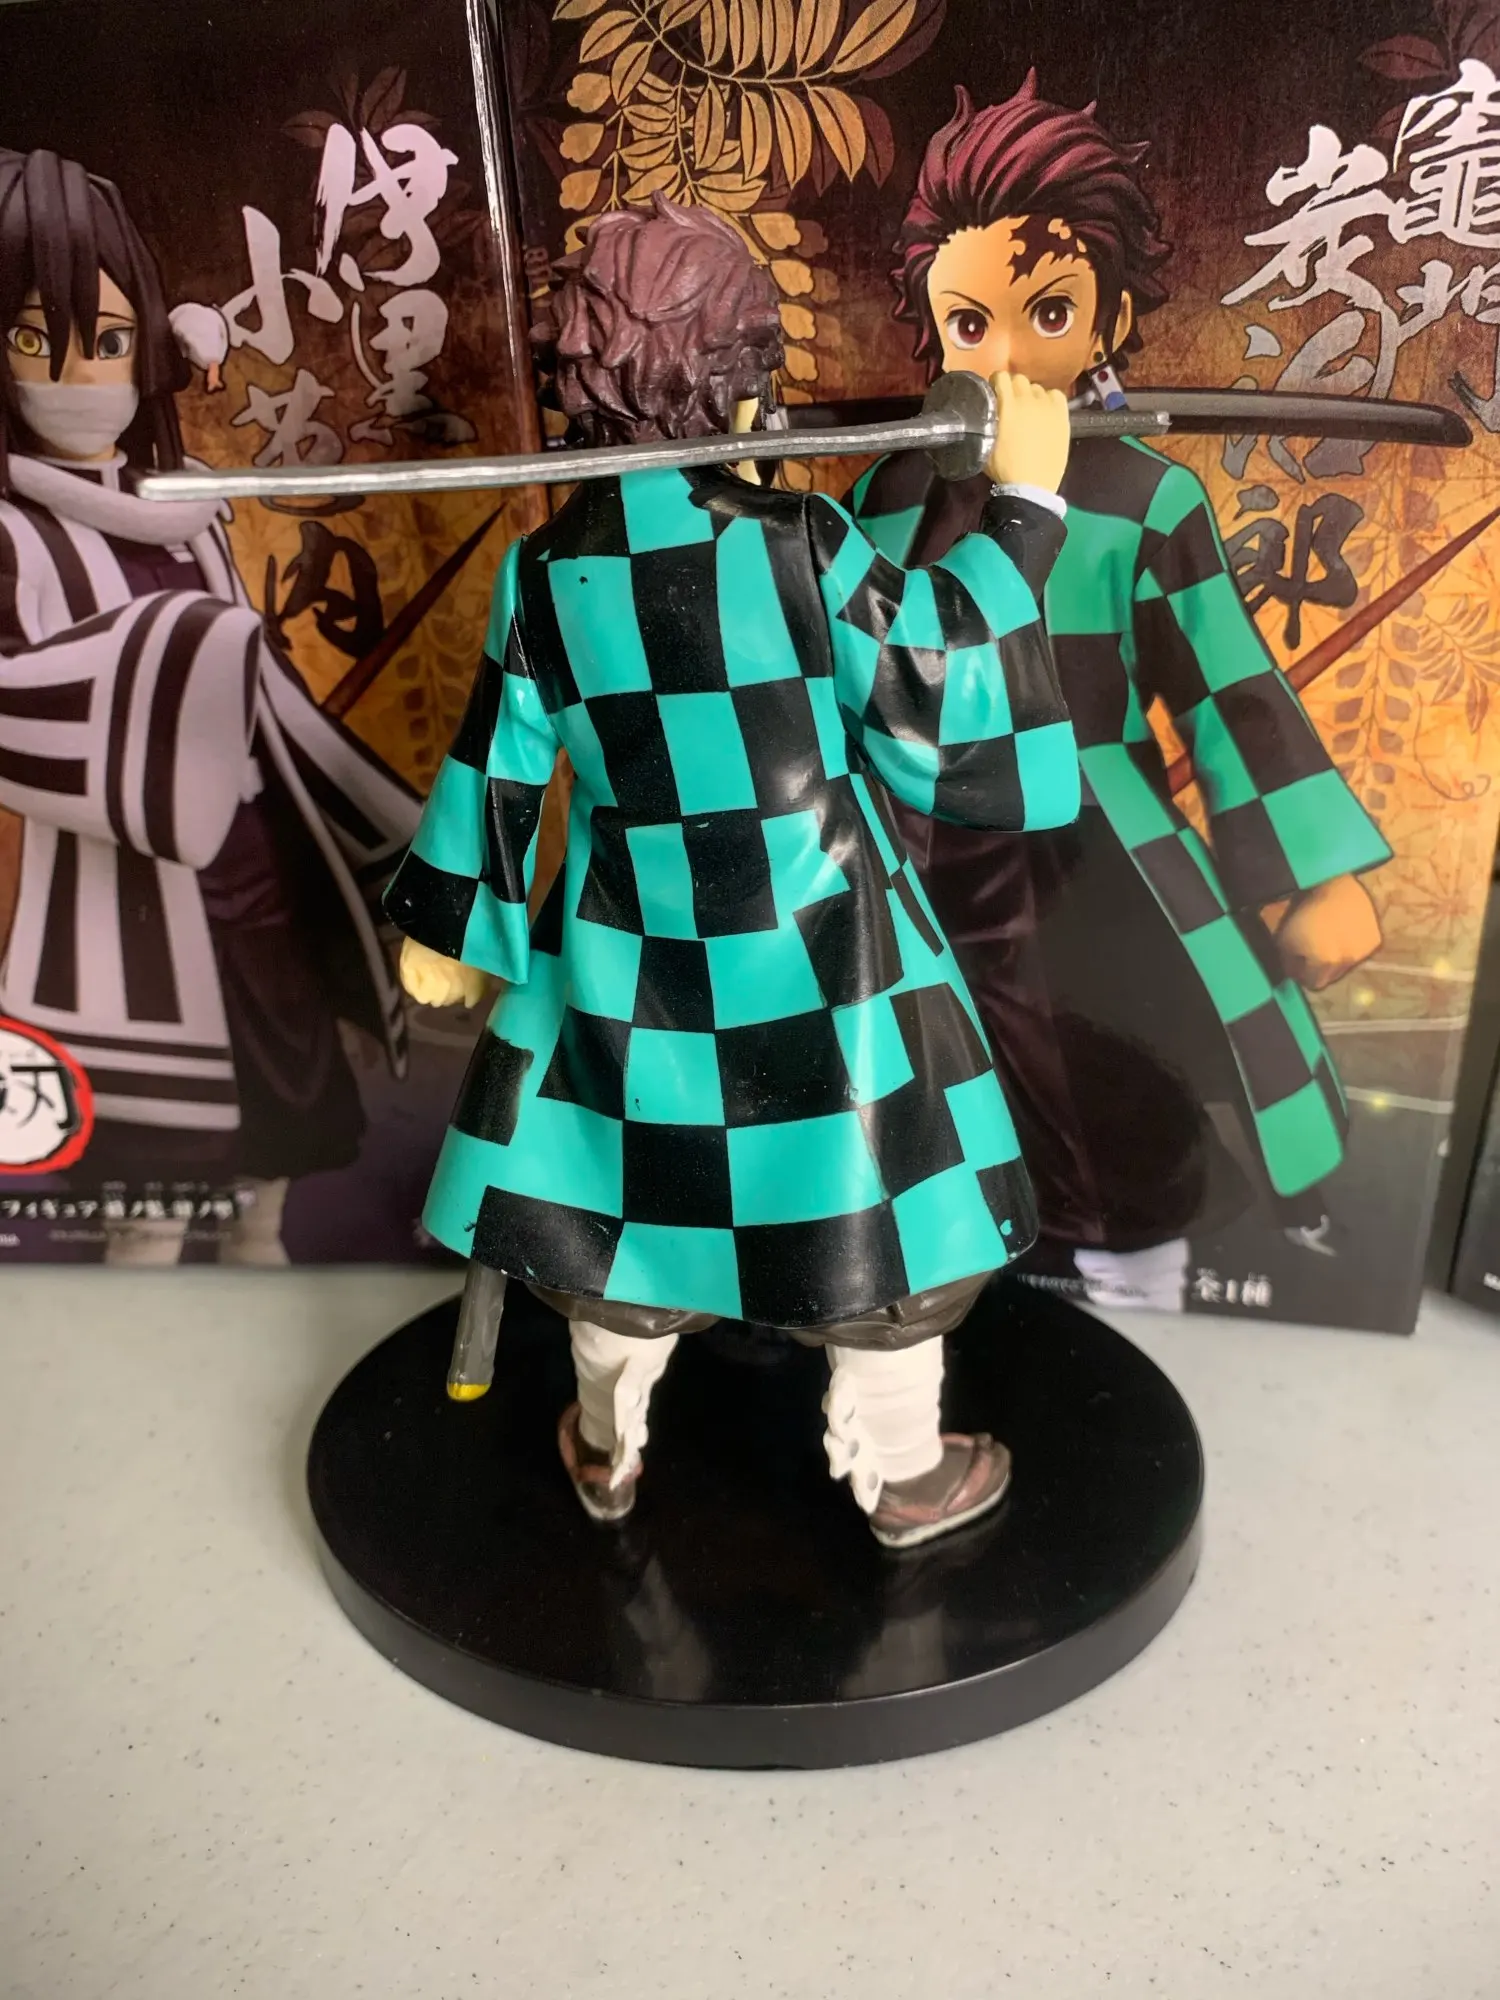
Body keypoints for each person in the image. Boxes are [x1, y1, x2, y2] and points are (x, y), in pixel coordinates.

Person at [385, 195, 1078, 1549]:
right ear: (744, 376)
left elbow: (496, 766)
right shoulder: (798, 542)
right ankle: (901, 1476)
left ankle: (607, 1447)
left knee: (619, 1219)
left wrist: (452, 926)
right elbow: (938, 686)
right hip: (826, 950)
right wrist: (1029, 510)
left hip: (625, 952)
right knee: (878, 1218)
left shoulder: (546, 571)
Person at [848, 78, 1392, 1311]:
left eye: (1048, 311)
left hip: (1096, 840)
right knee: (915, 1072)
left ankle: (1131, 1268)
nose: (1005, 354)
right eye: (968, 322)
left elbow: (1230, 692)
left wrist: (1316, 872)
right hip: (906, 830)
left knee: (1117, 1067)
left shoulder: (1147, 499)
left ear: (1112, 316)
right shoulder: (886, 497)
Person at [0, 147, 418, 1263]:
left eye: (107, 341)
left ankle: (260, 1242)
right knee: (149, 1168)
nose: (77, 376)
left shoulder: (190, 513)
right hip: (110, 890)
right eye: (35, 341)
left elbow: (270, 695)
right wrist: (176, 661)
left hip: (252, 858)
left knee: (278, 1093)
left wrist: (383, 828)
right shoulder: (11, 534)